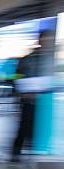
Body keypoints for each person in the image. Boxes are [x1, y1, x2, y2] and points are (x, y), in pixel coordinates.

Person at [11, 30, 54, 161]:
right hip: (27, 101)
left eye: (50, 40)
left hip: (42, 102)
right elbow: (16, 79)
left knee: (35, 130)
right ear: (39, 41)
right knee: (23, 129)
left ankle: (30, 156)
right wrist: (21, 94)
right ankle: (15, 156)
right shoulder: (26, 59)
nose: (48, 42)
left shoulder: (48, 60)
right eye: (46, 39)